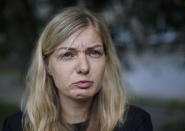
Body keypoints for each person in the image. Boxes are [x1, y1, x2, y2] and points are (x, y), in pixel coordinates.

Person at [2, 7, 153, 131]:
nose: (84, 67)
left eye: (94, 53)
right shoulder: (17, 126)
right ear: (47, 65)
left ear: (106, 60)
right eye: (68, 54)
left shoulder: (135, 123)